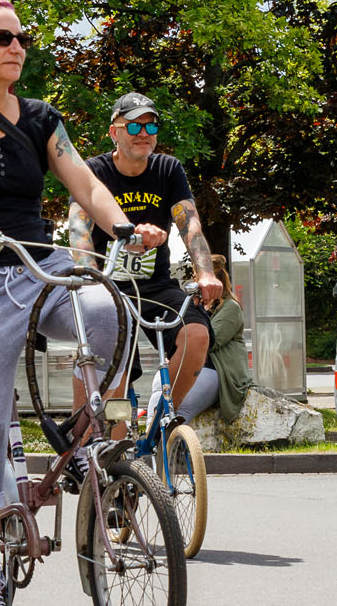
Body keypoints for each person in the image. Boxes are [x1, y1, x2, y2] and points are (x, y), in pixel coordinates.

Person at [0, 0, 167, 606]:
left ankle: (84, 443)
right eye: (0, 37)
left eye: (22, 38)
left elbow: (84, 182)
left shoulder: (39, 118)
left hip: (37, 266)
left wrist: (122, 228)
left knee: (103, 309)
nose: (16, 46)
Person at [66, 92, 223, 412]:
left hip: (154, 286)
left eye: (150, 128)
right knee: (116, 383)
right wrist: (89, 280)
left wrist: (205, 272)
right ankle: (114, 444)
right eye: (134, 126)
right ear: (114, 132)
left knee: (196, 333)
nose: (143, 134)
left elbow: (189, 224)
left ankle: (163, 419)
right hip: (106, 287)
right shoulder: (94, 171)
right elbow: (79, 231)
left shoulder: (168, 170)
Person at [177, 255, 253, 423]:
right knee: (159, 399)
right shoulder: (196, 304)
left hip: (217, 370)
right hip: (194, 367)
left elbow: (211, 342)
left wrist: (197, 313)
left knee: (179, 409)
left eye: (197, 278)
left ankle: (172, 445)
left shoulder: (230, 307)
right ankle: (152, 443)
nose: (195, 282)